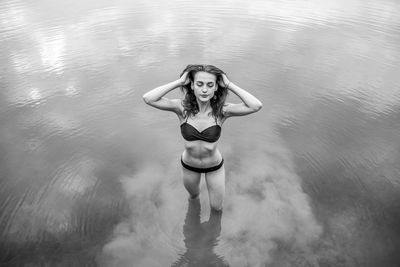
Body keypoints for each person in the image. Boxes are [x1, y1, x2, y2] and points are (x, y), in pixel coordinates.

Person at [142, 64, 262, 211]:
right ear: (192, 85)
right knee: (193, 197)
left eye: (210, 85)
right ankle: (193, 220)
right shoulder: (182, 108)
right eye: (200, 84)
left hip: (214, 168)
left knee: (217, 208)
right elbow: (148, 98)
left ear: (216, 87)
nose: (204, 89)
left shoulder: (222, 111)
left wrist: (229, 84)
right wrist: (179, 82)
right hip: (189, 166)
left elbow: (255, 106)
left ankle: (211, 233)